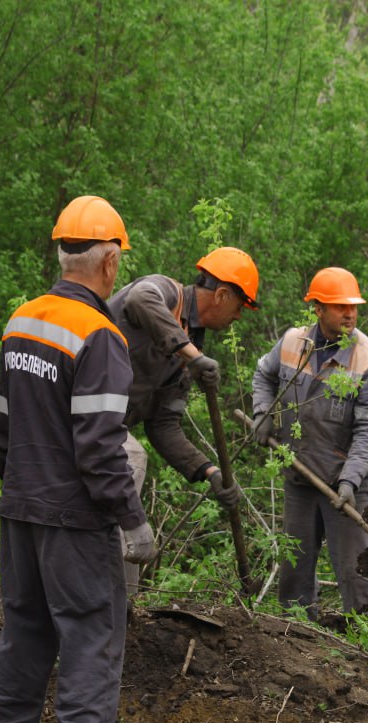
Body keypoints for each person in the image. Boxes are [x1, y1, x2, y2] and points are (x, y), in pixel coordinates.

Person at [0, 195, 156, 723]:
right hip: (75, 518)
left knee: (25, 630)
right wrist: (132, 522)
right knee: (92, 636)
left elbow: (3, 425)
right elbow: (101, 447)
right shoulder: (101, 336)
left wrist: (17, 487)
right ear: (109, 262)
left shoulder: (21, 320)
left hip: (19, 505)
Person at [107, 246, 258, 598]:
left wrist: (210, 472)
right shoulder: (166, 293)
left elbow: (164, 427)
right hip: (77, 410)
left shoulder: (187, 354)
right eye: (240, 307)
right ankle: (108, 596)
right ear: (221, 295)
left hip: (109, 428)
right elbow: (140, 296)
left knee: (130, 460)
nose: (239, 317)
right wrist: (191, 355)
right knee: (130, 458)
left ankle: (123, 606)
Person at [250, 266, 368, 618]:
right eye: (340, 306)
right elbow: (264, 374)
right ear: (318, 308)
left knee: (356, 571)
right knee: (294, 568)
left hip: (346, 484)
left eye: (353, 306)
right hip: (300, 475)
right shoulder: (293, 343)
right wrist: (263, 411)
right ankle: (295, 636)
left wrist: (350, 480)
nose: (349, 313)